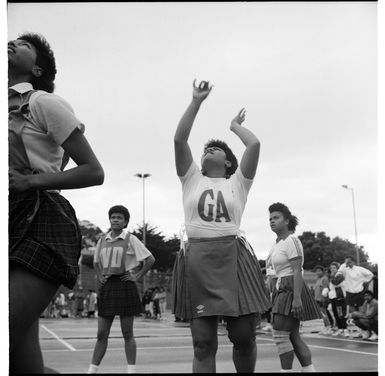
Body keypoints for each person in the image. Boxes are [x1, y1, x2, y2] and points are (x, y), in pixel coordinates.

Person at [8, 32, 104, 373]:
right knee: (21, 365)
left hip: (41, 224)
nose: (12, 44)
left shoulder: (42, 103)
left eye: (24, 45)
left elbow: (94, 171)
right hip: (8, 222)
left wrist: (32, 180)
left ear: (35, 69)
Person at [172, 80, 271, 373]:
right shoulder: (191, 178)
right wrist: (196, 102)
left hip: (233, 258)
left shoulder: (238, 183)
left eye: (215, 149)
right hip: (198, 260)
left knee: (243, 338)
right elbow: (179, 140)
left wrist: (234, 126)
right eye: (206, 149)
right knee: (203, 344)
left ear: (229, 163)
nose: (208, 150)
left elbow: (254, 144)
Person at [87, 205, 155, 374]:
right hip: (108, 286)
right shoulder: (102, 240)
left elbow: (150, 260)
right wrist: (100, 276)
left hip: (125, 285)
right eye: (113, 217)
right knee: (102, 334)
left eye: (119, 217)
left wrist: (136, 276)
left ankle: (131, 371)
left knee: (127, 333)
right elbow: (96, 262)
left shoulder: (131, 239)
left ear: (125, 222)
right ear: (109, 220)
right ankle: (92, 370)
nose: (115, 220)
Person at [268, 202, 322, 372]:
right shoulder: (277, 244)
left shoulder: (292, 240)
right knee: (292, 336)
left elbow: (297, 270)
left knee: (280, 336)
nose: (271, 221)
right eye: (270, 218)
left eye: (276, 217)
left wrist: (297, 298)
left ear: (287, 220)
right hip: (281, 288)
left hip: (291, 287)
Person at [328, 262, 349, 337]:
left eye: (334, 268)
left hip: (340, 297)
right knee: (336, 314)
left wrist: (331, 277)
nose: (332, 269)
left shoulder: (340, 275)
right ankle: (340, 329)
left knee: (342, 314)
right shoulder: (332, 276)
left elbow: (336, 283)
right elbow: (331, 287)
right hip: (333, 297)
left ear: (337, 269)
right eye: (331, 268)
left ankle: (345, 330)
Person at [313, 265, 334, 334]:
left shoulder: (324, 279)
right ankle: (326, 327)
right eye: (316, 271)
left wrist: (324, 299)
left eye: (319, 271)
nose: (317, 273)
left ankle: (329, 327)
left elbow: (325, 290)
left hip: (322, 299)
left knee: (324, 314)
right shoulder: (318, 279)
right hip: (317, 299)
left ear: (322, 272)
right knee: (322, 314)